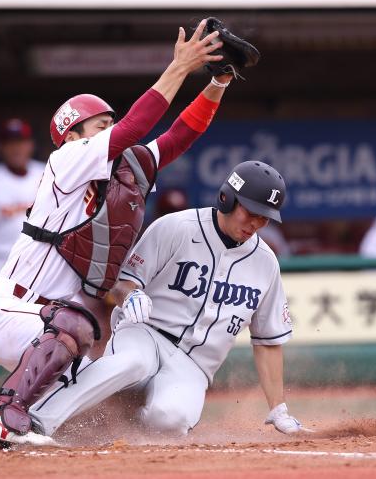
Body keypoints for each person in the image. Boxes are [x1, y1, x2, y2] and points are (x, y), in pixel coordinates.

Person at [0, 18, 232, 446]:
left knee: (111, 381)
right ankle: (1, 417)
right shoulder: (66, 161)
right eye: (100, 126)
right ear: (72, 135)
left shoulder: (116, 170)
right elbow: (135, 127)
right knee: (78, 325)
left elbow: (177, 138)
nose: (111, 133)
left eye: (110, 124)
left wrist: (218, 82)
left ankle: (30, 428)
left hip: (48, 325)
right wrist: (181, 67)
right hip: (7, 312)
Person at [24, 161, 308, 441]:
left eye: (265, 217)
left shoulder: (266, 263)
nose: (256, 223)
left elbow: (268, 341)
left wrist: (278, 408)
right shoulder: (177, 227)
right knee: (131, 363)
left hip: (194, 365)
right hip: (145, 334)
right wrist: (130, 294)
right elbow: (123, 283)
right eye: (251, 212)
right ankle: (33, 421)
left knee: (170, 420)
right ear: (227, 198)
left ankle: (113, 425)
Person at [0, 118, 46, 292]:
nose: (16, 148)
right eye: (10, 143)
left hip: (40, 262)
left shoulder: (47, 173)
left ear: (31, 145)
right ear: (0, 147)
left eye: (21, 142)